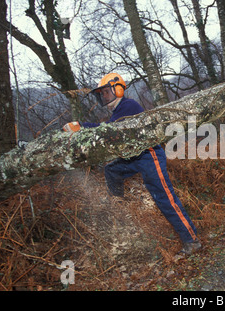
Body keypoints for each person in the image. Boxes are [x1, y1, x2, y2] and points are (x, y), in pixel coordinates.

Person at [63, 73, 201, 255]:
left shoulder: (128, 106)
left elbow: (109, 131)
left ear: (118, 89)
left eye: (106, 92)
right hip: (133, 157)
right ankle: (120, 206)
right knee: (112, 170)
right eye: (101, 93)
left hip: (149, 156)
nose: (103, 96)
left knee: (165, 199)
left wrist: (82, 126)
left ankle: (191, 241)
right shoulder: (118, 111)